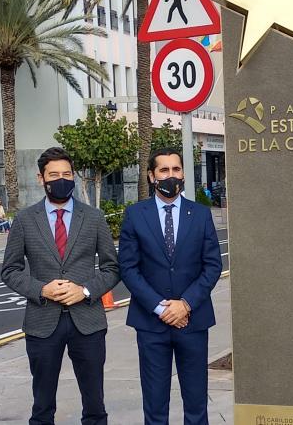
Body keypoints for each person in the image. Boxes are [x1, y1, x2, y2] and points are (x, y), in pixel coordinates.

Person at [1, 147, 120, 425]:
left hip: (87, 323)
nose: (61, 179)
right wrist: (41, 289)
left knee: (95, 405)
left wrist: (86, 291)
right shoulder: (25, 220)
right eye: (54, 175)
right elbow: (10, 270)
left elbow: (111, 268)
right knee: (42, 406)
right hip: (42, 323)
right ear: (41, 178)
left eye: (67, 174)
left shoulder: (93, 217)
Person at [118, 148, 223, 424]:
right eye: (163, 170)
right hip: (151, 324)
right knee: (154, 406)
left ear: (184, 174)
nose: (171, 176)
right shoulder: (135, 215)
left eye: (176, 170)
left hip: (194, 321)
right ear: (152, 176)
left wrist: (185, 304)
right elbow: (128, 268)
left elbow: (212, 265)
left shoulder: (200, 214)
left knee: (197, 405)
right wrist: (160, 307)